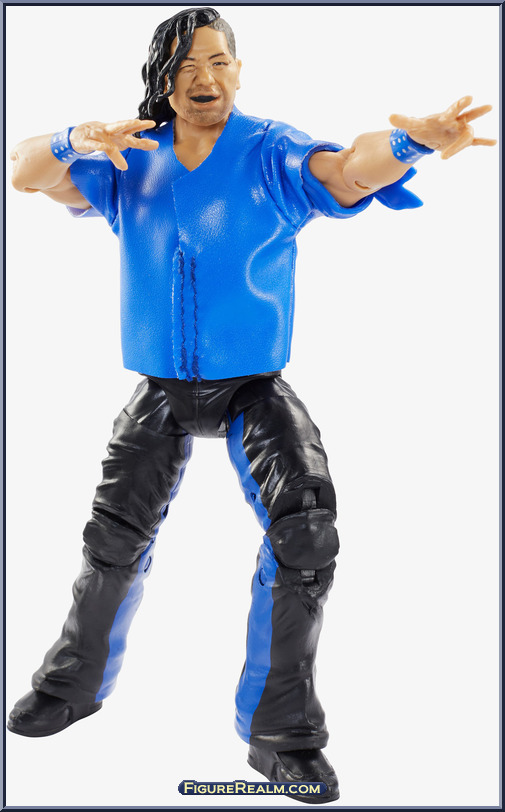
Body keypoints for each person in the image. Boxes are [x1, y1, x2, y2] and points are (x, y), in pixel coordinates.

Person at [7, 6, 495, 804]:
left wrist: (412, 145)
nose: (204, 79)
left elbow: (347, 170)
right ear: (162, 80)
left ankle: (280, 732)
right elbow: (25, 170)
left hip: (251, 386)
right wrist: (73, 139)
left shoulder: (269, 150)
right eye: (185, 67)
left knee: (306, 533)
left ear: (238, 69)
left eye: (218, 62)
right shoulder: (130, 155)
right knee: (111, 540)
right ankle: (72, 684)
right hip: (161, 387)